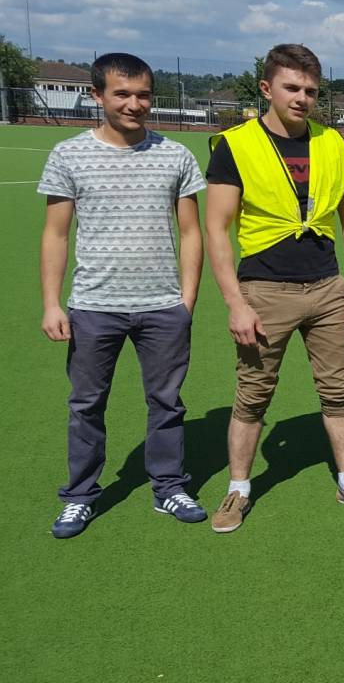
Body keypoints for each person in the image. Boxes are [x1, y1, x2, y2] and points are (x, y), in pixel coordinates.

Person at [204, 44, 344, 533]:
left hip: (327, 288)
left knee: (338, 391)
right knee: (253, 395)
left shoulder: (332, 143)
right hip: (264, 290)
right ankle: (237, 490)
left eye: (310, 90)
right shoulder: (235, 145)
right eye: (291, 87)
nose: (302, 98)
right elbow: (217, 230)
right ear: (267, 88)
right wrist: (235, 303)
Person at [39, 53, 207, 538]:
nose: (135, 104)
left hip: (162, 307)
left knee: (167, 402)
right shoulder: (68, 155)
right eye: (122, 94)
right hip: (94, 306)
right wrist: (52, 303)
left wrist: (186, 300)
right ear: (97, 96)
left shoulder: (176, 155)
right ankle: (80, 496)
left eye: (143, 95)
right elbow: (55, 234)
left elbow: (191, 232)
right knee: (86, 404)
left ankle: (169, 486)